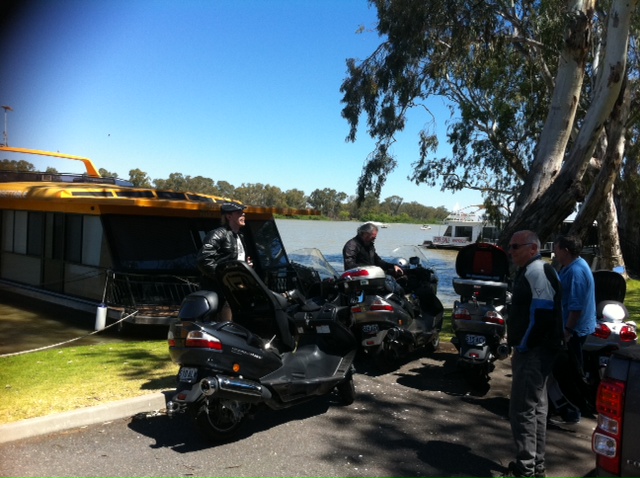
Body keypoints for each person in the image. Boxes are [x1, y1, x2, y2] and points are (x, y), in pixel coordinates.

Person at [501, 230, 563, 478]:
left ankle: (525, 468)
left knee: (522, 410)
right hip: (540, 351)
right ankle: (535, 465)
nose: (511, 251)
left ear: (533, 249)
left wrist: (523, 346)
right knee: (537, 408)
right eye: (510, 247)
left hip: (535, 353)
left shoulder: (537, 271)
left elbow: (542, 315)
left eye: (515, 247)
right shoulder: (532, 271)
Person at [550, 234, 597, 422]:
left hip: (574, 331)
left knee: (569, 373)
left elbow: (576, 307)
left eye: (556, 248)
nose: (554, 252)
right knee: (570, 370)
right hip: (576, 328)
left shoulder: (576, 272)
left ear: (566, 251)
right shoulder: (575, 266)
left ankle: (576, 410)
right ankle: (570, 406)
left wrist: (567, 331)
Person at [197, 202, 251, 321]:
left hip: (235, 289)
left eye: (243, 212)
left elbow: (235, 260)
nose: (243, 215)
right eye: (239, 213)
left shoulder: (240, 236)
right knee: (225, 325)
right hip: (220, 291)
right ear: (229, 216)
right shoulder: (217, 234)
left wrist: (246, 265)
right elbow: (204, 260)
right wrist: (223, 277)